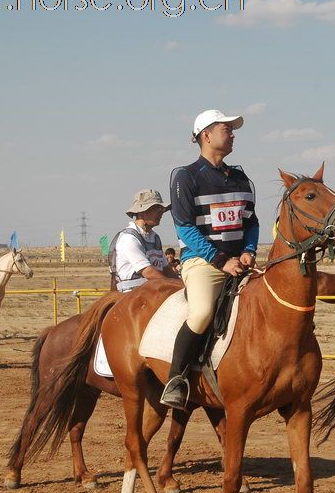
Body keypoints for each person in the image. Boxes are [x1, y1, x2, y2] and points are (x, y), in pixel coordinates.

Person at [160, 109, 259, 409]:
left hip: (239, 262)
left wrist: (249, 250)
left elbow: (251, 222)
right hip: (203, 263)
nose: (232, 133)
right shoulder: (185, 177)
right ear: (206, 135)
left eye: (232, 129)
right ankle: (176, 380)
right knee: (202, 312)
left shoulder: (241, 178)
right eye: (226, 128)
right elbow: (185, 229)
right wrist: (219, 260)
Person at [110, 189, 177, 293]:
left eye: (161, 209)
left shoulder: (155, 238)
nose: (161, 213)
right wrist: (176, 287)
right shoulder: (129, 238)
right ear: (141, 212)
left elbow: (166, 269)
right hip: (131, 296)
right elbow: (149, 272)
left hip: (151, 293)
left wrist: (183, 285)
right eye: (156, 208)